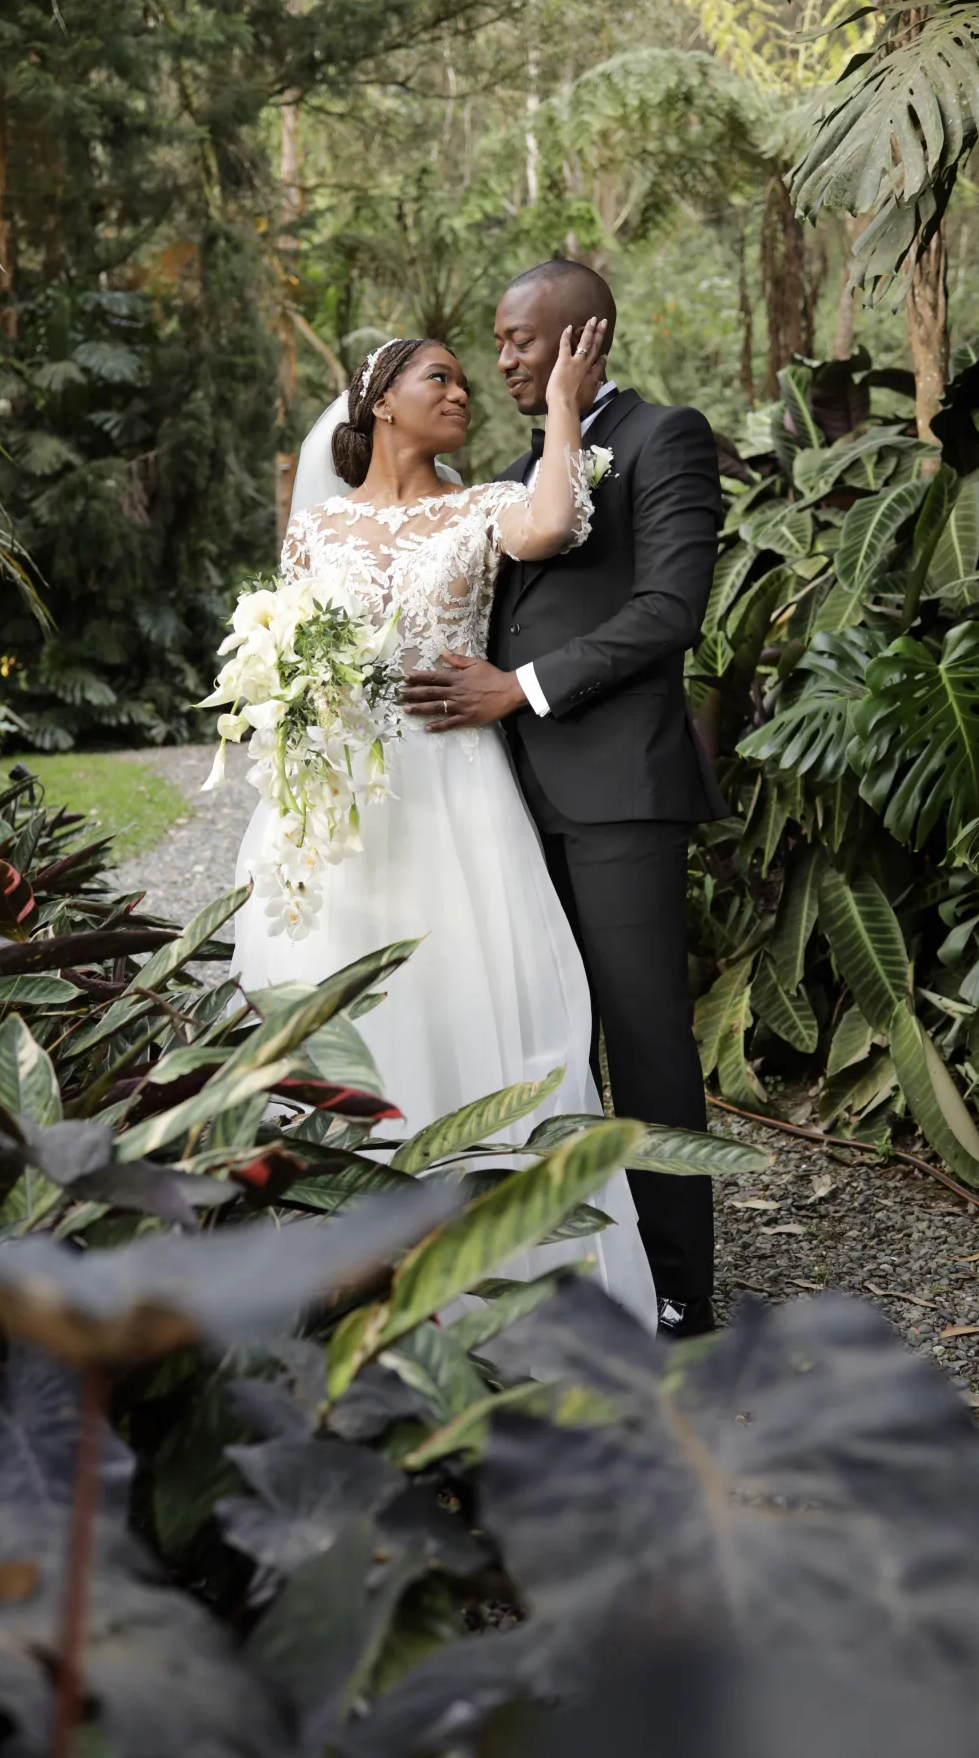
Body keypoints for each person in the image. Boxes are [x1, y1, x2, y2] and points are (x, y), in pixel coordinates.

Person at [230, 327, 657, 1329]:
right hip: (339, 803)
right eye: (441, 378)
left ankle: (500, 1285)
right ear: (382, 400)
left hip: (456, 793)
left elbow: (553, 524)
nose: (463, 392)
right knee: (345, 1008)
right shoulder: (314, 530)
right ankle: (344, 1279)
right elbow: (284, 651)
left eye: (468, 381)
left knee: (480, 1003)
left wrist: (562, 401)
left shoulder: (482, 506)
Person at [403, 261, 728, 1339]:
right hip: (507, 802)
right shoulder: (516, 473)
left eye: (521, 341)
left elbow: (670, 608)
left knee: (643, 1038)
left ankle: (678, 1286)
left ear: (586, 338)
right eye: (496, 342)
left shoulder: (663, 438)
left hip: (622, 792)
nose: (501, 360)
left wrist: (523, 688)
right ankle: (583, 1260)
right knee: (545, 1035)